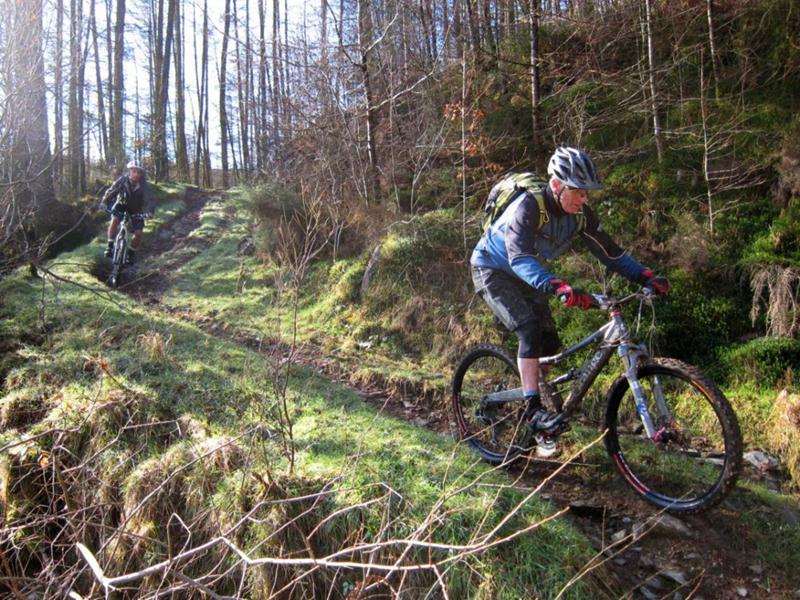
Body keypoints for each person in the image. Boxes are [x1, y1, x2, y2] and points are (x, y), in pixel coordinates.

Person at [470, 146, 669, 457]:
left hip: (528, 274)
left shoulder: (579, 216)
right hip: (492, 268)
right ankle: (533, 410)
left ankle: (542, 413)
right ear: (556, 186)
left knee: (548, 346)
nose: (584, 199)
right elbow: (519, 256)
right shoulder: (528, 206)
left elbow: (611, 253)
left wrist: (646, 276)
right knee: (529, 329)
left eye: (587, 192)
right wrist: (558, 285)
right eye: (578, 191)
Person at [100, 160, 156, 264]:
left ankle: (131, 254)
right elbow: (111, 191)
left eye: (139, 172)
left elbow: (150, 200)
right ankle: (110, 246)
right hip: (121, 205)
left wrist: (150, 212)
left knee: (138, 233)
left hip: (136, 210)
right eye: (134, 171)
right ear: (129, 171)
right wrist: (104, 202)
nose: (136, 174)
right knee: (115, 220)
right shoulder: (122, 180)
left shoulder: (145, 186)